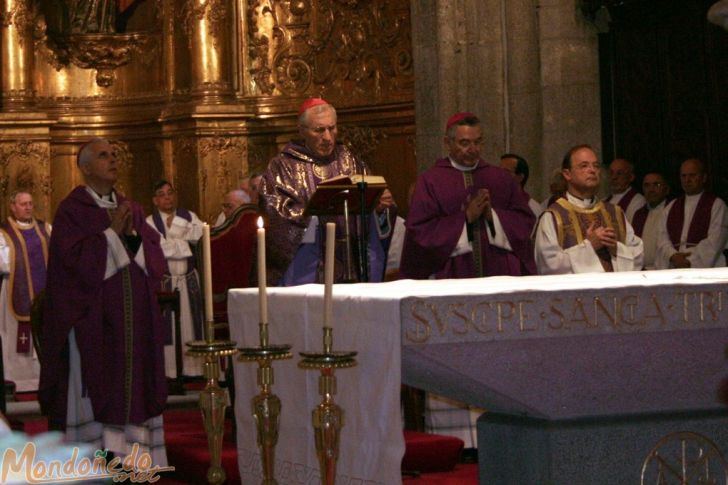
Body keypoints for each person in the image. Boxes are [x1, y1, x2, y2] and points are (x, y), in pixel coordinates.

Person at [39, 138, 168, 465]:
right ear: (84, 167)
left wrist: (132, 237)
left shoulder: (132, 208)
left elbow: (153, 258)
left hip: (133, 321)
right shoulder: (72, 210)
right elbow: (70, 268)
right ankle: (93, 458)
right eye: (103, 156)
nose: (113, 160)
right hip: (92, 323)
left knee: (133, 385)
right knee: (98, 385)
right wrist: (110, 234)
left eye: (114, 155)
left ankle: (134, 458)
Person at [259, 98, 389, 285]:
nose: (328, 137)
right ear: (302, 131)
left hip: (351, 262)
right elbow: (274, 216)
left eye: (332, 128)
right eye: (319, 130)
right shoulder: (282, 166)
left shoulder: (350, 160)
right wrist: (315, 213)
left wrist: (378, 208)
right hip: (306, 266)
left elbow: (371, 211)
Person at [400, 112, 536, 279]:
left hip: (499, 272)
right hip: (452, 275)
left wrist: (493, 217)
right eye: (464, 143)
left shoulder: (502, 178)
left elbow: (525, 222)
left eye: (478, 142)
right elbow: (419, 233)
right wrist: (466, 218)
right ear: (447, 143)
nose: (473, 149)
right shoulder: (430, 182)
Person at [533, 144, 643, 274]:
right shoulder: (553, 216)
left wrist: (616, 249)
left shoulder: (615, 213)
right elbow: (547, 265)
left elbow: (638, 255)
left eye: (596, 166)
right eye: (584, 166)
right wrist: (589, 247)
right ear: (567, 174)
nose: (592, 170)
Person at [146, 180, 203, 378]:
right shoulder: (149, 222)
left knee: (191, 323)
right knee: (168, 325)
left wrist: (176, 233)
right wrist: (182, 238)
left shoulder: (189, 216)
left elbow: (198, 235)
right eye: (162, 194)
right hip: (166, 281)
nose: (167, 197)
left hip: (188, 280)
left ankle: (193, 369)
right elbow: (160, 249)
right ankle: (170, 370)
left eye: (170, 192)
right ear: (155, 200)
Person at [0, 191, 51, 392]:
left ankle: (42, 378)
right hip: (14, 290)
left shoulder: (45, 229)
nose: (28, 207)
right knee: (15, 337)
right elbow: (3, 263)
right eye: (23, 204)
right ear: (12, 207)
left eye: (30, 203)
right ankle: (18, 380)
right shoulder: (3, 232)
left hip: (44, 294)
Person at [655, 158, 728, 269]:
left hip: (703, 269)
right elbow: (662, 237)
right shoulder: (671, 207)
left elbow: (715, 240)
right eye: (683, 176)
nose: (687, 180)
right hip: (675, 267)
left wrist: (688, 261)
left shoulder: (717, 205)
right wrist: (673, 256)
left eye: (692, 175)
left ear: (704, 178)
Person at [631, 172, 670, 269]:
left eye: (656, 185)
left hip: (666, 269)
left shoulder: (673, 210)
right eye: (647, 185)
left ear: (666, 189)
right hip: (642, 271)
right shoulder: (639, 215)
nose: (651, 189)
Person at [604, 158, 647, 224]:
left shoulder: (638, 201)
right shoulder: (605, 200)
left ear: (631, 177)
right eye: (611, 173)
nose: (614, 177)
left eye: (619, 173)